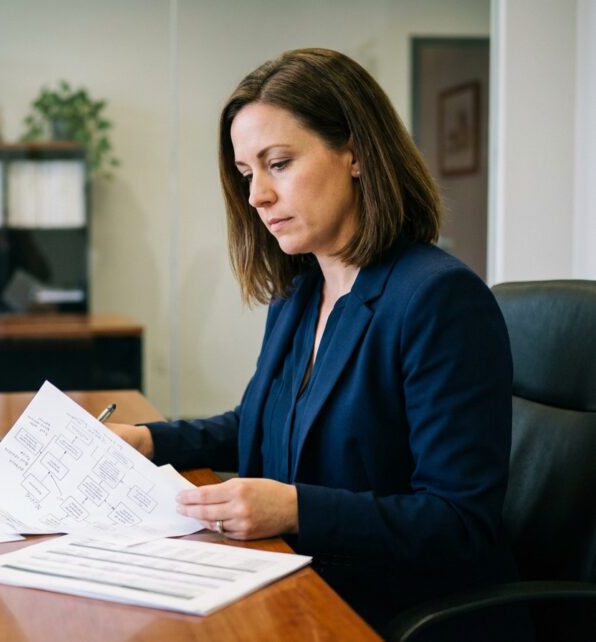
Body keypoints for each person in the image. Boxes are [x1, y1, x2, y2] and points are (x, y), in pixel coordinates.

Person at [109, 48, 525, 638]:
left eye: (278, 163)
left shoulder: (438, 299)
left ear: (354, 152)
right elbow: (260, 421)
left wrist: (296, 508)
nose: (256, 197)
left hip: (389, 610)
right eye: (247, 173)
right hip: (296, 581)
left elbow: (459, 522)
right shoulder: (301, 292)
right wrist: (148, 438)